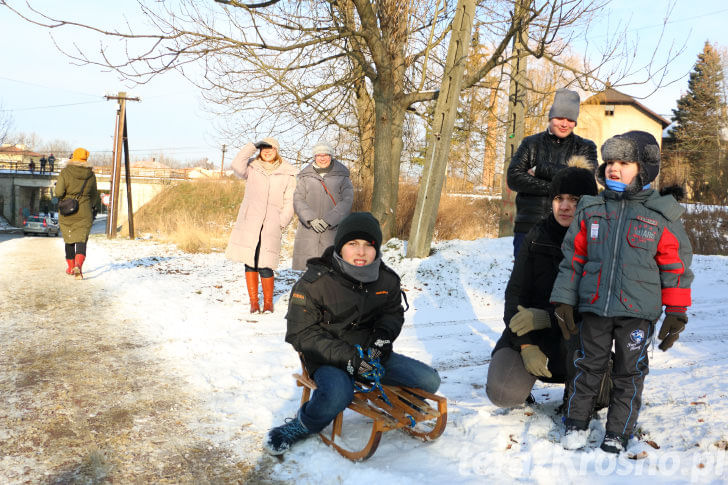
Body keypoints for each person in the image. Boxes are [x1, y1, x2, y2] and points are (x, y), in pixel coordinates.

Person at [551, 131, 694, 454]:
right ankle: (575, 423)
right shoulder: (591, 209)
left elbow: (676, 268)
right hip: (595, 308)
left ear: (644, 168)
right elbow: (573, 258)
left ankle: (617, 430)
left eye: (624, 162)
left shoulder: (660, 214)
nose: (614, 168)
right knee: (587, 366)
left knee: (629, 372)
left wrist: (676, 312)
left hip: (637, 313)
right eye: (610, 161)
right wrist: (564, 300)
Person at [264, 212, 441, 455]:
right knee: (339, 393)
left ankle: (396, 402)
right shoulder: (315, 283)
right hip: (329, 357)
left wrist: (381, 340)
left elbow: (392, 314)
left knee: (430, 381)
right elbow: (301, 333)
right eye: (352, 244)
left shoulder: (386, 280)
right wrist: (350, 360)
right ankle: (303, 424)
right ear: (340, 247)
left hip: (370, 352)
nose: (361, 252)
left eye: (368, 245)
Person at [486, 158, 603, 410]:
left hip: (575, 340)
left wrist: (547, 317)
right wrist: (526, 345)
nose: (564, 206)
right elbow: (514, 296)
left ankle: (582, 394)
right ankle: (523, 376)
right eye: (558, 198)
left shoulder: (599, 241)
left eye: (574, 199)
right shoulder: (537, 235)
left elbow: (597, 306)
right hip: (533, 336)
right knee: (502, 393)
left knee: (604, 393)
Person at [507, 88, 598, 257]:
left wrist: (540, 169)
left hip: (569, 228)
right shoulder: (530, 143)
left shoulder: (585, 147)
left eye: (570, 119)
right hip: (529, 226)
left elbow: (586, 181)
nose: (564, 124)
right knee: (526, 280)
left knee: (563, 281)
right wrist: (560, 187)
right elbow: (514, 178)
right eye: (560, 118)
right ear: (550, 117)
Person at [225, 138, 298, 314]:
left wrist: (281, 222)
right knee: (250, 261)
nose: (267, 151)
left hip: (272, 223)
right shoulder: (252, 167)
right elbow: (236, 165)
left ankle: (268, 303)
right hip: (250, 222)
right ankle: (253, 302)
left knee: (266, 264)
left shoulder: (288, 173)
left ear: (277, 150)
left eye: (270, 148)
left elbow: (291, 201)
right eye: (263, 148)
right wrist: (252, 146)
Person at [292, 142, 354, 271]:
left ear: (331, 156)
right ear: (314, 157)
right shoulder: (305, 177)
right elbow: (298, 199)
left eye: (325, 155)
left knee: (332, 270)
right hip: (309, 230)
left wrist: (329, 220)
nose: (322, 158)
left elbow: (347, 200)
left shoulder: (342, 177)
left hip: (333, 230)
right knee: (310, 271)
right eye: (319, 155)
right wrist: (311, 219)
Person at [55, 147, 101, 280]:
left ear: (73, 157)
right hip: (85, 211)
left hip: (67, 211)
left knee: (69, 239)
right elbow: (94, 196)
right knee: (81, 239)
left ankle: (70, 268)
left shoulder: (65, 172)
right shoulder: (91, 175)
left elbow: (58, 192)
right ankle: (78, 266)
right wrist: (89, 206)